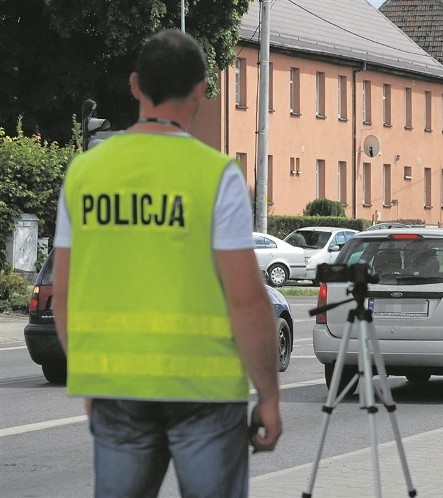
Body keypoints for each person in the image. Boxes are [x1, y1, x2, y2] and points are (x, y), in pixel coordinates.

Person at [52, 30, 281, 498]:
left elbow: (64, 297)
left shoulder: (85, 173)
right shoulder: (216, 176)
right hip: (207, 392)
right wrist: (270, 396)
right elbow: (248, 301)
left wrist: (90, 377)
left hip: (118, 387)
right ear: (201, 89)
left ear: (135, 86)